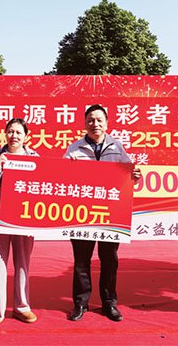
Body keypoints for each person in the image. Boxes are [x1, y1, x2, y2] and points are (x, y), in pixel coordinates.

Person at [63, 104, 141, 322]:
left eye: (99, 120)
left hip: (110, 214)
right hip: (82, 213)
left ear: (106, 123)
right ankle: (80, 303)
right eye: (90, 120)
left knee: (109, 259)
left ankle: (109, 303)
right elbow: (62, 178)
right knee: (81, 260)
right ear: (84, 123)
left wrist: (135, 175)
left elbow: (129, 177)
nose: (94, 124)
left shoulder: (117, 147)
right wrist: (68, 167)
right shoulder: (74, 149)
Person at [0, 118, 39, 332]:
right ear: (5, 134)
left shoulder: (34, 158)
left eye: (19, 132)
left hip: (25, 220)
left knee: (23, 263)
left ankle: (22, 306)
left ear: (26, 136)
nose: (14, 136)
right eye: (11, 131)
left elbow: (43, 186)